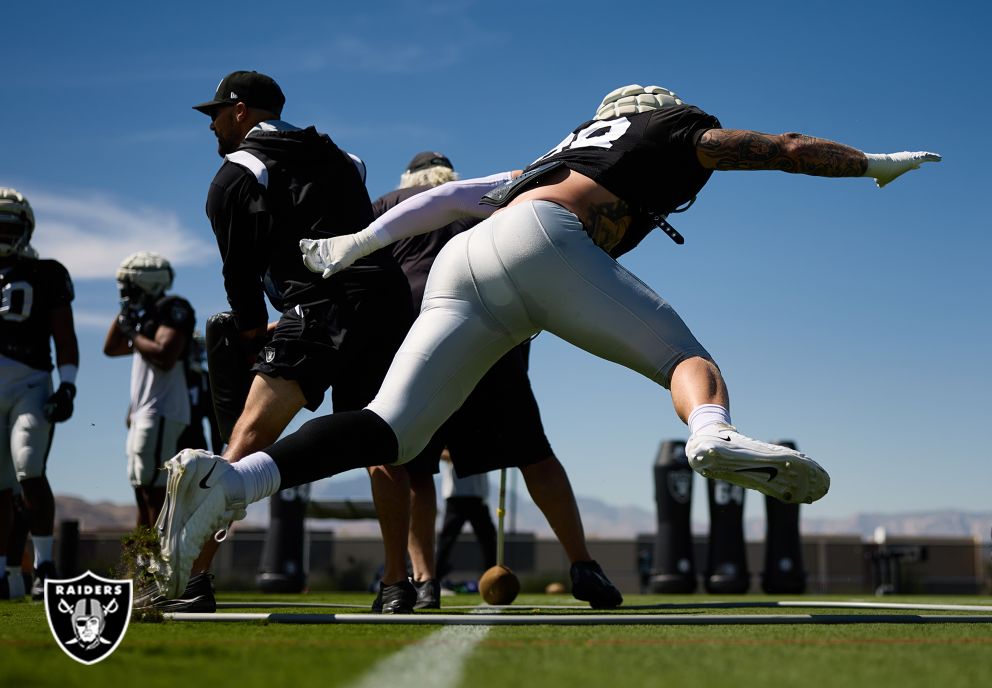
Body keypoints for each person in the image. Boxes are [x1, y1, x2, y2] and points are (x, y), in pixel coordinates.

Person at [154, 84, 940, 601]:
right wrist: (870, 165)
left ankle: (232, 482)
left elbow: (454, 199)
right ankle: (712, 433)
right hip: (547, 246)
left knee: (395, 429)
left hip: (470, 262)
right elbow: (785, 146)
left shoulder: (561, 148)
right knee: (686, 360)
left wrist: (354, 246)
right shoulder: (671, 127)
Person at [155, 70, 413, 612]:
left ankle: (194, 580)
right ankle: (396, 584)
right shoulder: (346, 159)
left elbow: (239, 275)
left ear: (242, 111)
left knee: (246, 439)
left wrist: (251, 331)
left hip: (320, 309)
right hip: (385, 306)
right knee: (378, 444)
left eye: (217, 114)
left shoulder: (237, 173)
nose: (213, 127)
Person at [366, 150, 620, 612]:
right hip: (491, 335)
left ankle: (421, 582)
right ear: (451, 178)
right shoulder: (490, 199)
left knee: (412, 468)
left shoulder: (388, 203)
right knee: (535, 457)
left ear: (409, 179)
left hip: (417, 340)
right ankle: (584, 564)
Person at [0, 188, 79, 602]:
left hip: (31, 381)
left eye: (6, 226)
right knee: (0, 485)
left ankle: (45, 564)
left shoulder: (46, 272)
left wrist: (67, 384)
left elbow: (64, 335)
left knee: (29, 466)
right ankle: (6, 574)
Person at [103, 252, 196, 528]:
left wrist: (132, 332)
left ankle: (157, 565)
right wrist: (126, 318)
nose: (124, 291)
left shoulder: (173, 307)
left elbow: (165, 356)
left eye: (129, 285)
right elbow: (110, 348)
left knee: (155, 494)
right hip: (145, 412)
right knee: (142, 493)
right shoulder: (145, 315)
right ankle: (141, 562)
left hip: (162, 410)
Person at [433, 449, 497, 581]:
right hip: (456, 497)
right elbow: (440, 452)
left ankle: (492, 576)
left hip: (477, 497)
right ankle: (434, 577)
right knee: (446, 540)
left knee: (489, 538)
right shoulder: (449, 432)